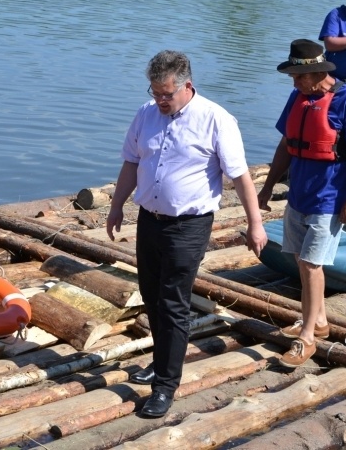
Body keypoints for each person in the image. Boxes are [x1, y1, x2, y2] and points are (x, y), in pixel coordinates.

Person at [106, 50, 267, 418]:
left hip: (189, 225)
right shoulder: (146, 114)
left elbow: (240, 176)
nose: (160, 100)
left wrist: (255, 223)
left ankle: (165, 386)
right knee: (150, 295)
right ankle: (161, 360)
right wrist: (116, 207)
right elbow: (131, 163)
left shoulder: (216, 119)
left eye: (167, 94)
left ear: (187, 86)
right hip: (149, 220)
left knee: (173, 301)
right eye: (155, 92)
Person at [257, 39, 346, 368]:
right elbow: (285, 146)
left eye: (298, 76)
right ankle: (318, 321)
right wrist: (266, 189)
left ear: (318, 72)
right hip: (299, 194)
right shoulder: (298, 97)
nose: (294, 82)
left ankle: (307, 337)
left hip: (329, 198)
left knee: (310, 264)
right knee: (296, 256)